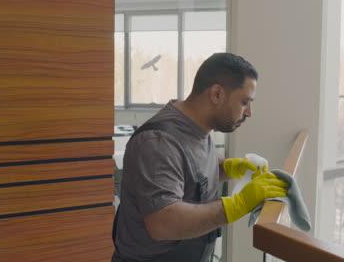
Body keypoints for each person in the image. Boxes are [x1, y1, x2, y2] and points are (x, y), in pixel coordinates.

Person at [111, 53, 288, 262]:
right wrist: (238, 204)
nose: (249, 112)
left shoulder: (196, 127)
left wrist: (227, 168)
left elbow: (189, 172)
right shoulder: (158, 141)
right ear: (217, 94)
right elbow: (162, 222)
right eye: (244, 102)